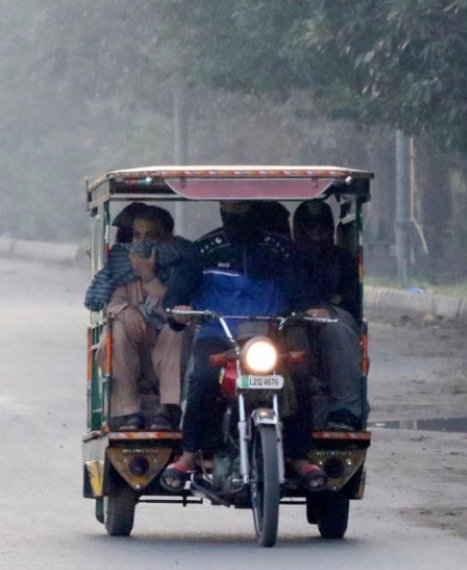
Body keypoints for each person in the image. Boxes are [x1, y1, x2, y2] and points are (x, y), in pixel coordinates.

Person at [162, 200, 326, 491]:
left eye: (244, 213)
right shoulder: (202, 250)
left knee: (299, 378)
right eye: (231, 214)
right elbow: (177, 294)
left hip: (270, 334)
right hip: (218, 333)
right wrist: (178, 307)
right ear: (223, 213)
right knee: (202, 379)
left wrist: (311, 309)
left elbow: (301, 292)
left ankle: (300, 456)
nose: (237, 221)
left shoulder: (281, 250)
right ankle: (188, 454)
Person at [87, 204, 199, 431]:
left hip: (171, 351)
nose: (142, 242)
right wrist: (126, 311)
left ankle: (168, 408)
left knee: (177, 326)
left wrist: (149, 277)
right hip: (135, 349)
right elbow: (113, 303)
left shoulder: (181, 265)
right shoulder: (122, 265)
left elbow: (171, 307)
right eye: (137, 235)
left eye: (151, 235)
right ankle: (129, 412)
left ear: (167, 236)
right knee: (118, 327)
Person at [292, 199, 367, 431]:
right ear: (298, 230)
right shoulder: (284, 256)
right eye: (309, 228)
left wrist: (323, 305)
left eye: (322, 227)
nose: (316, 234)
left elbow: (349, 298)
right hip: (284, 313)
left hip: (326, 316)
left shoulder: (341, 260)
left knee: (338, 326)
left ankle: (345, 409)